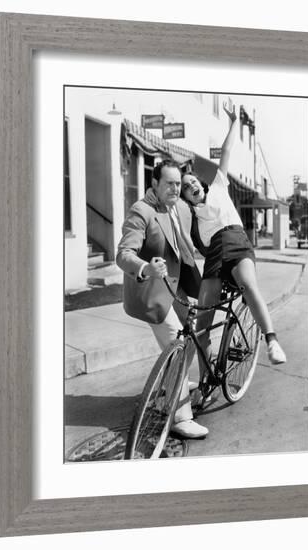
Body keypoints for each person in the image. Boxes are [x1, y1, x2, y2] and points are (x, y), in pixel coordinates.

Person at [180, 101, 287, 376]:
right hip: (215, 258)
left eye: (192, 182)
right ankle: (206, 378)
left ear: (200, 183)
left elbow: (226, 150)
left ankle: (272, 340)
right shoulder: (190, 217)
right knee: (202, 323)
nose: (191, 186)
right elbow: (196, 248)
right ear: (183, 196)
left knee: (249, 286)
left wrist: (234, 123)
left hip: (237, 244)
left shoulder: (218, 186)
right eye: (185, 188)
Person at [116, 159, 208, 439]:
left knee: (192, 334)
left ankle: (168, 389)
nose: (175, 188)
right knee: (175, 342)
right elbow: (123, 254)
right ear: (154, 183)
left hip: (178, 287)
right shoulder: (141, 211)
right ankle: (180, 417)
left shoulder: (180, 206)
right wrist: (145, 268)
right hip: (153, 290)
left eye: (178, 183)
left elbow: (191, 242)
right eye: (169, 183)